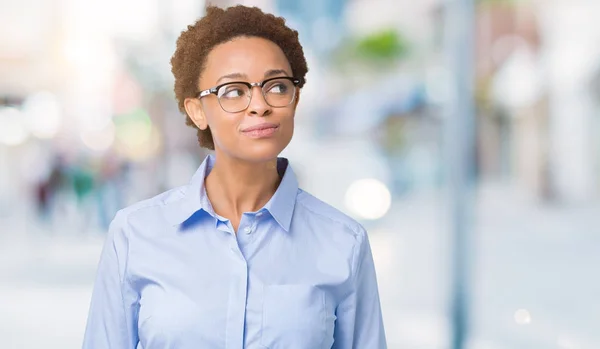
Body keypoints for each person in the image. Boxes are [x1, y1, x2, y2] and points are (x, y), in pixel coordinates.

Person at [82, 5, 386, 349]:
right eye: (234, 91)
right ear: (197, 110)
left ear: (295, 98)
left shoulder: (344, 242)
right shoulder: (134, 235)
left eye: (277, 86)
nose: (260, 104)